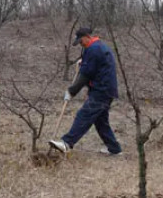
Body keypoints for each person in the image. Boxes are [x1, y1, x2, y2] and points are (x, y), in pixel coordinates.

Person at [49, 27, 122, 156]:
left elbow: (85, 75)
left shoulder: (93, 49)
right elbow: (95, 65)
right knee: (100, 121)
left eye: (81, 41)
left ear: (87, 36)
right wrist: (84, 62)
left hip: (102, 90)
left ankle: (67, 143)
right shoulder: (99, 47)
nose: (80, 44)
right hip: (106, 89)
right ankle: (114, 148)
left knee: (84, 115)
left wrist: (72, 91)